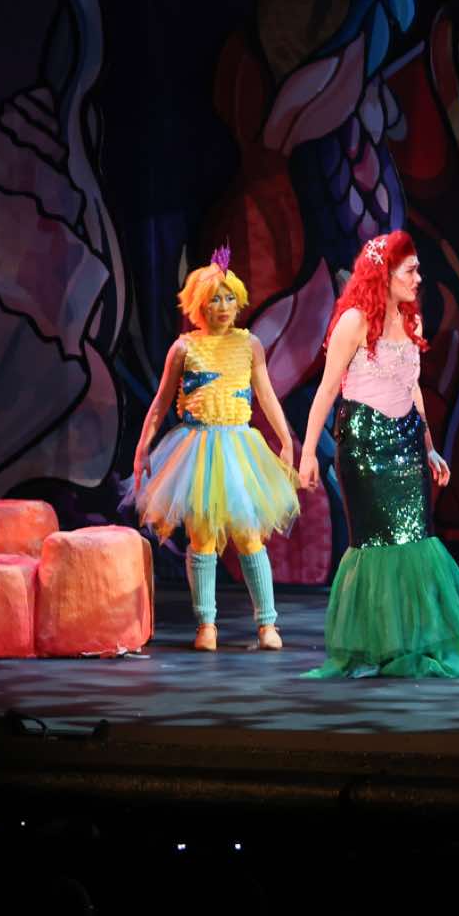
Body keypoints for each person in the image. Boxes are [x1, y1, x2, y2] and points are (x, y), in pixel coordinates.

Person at [296, 232, 459, 679]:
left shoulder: (412, 321)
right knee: (377, 544)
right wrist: (309, 451)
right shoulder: (354, 321)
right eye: (410, 270)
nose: (418, 278)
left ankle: (415, 640)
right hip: (365, 445)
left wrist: (430, 447)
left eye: (417, 270)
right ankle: (377, 644)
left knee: (415, 539)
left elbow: (412, 388)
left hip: (407, 443)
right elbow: (328, 388)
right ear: (384, 274)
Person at [133, 246, 300, 651]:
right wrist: (142, 448)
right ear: (199, 305)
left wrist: (285, 440)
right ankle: (206, 624)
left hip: (239, 448)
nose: (223, 307)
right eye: (214, 300)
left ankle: (267, 624)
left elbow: (266, 395)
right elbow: (160, 403)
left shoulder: (249, 344)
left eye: (228, 298)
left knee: (249, 535)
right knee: (203, 538)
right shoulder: (184, 348)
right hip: (197, 449)